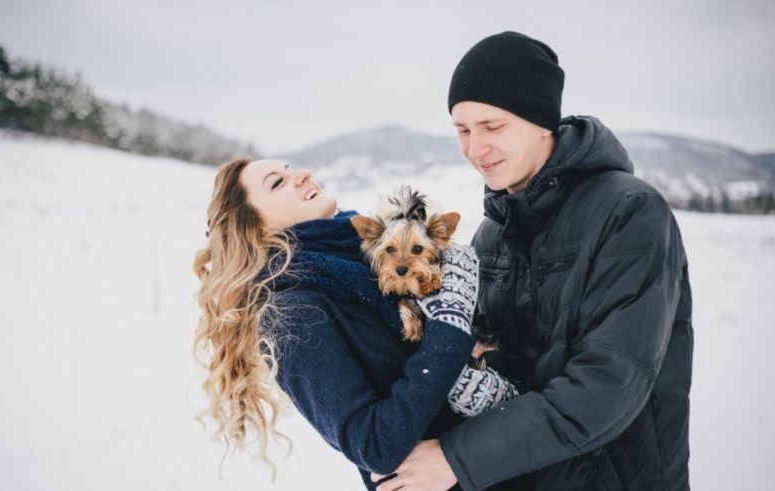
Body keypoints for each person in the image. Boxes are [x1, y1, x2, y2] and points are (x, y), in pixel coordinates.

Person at [374, 31, 693, 491]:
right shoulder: (492, 233)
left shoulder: (629, 213)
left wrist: (454, 458)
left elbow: (607, 386)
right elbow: (486, 360)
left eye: (493, 126)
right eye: (462, 131)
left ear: (542, 120)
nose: (474, 149)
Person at [192, 158, 518, 490]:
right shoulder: (291, 310)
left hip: (506, 460)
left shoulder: (367, 259)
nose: (302, 174)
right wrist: (451, 325)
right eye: (277, 182)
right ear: (256, 227)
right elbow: (375, 445)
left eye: (291, 168)